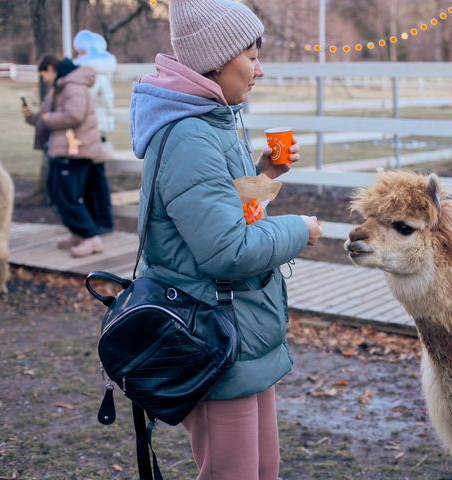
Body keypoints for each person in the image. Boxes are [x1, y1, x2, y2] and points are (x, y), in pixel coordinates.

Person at [129, 0, 324, 478]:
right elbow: (228, 250)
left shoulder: (212, 121)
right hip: (213, 332)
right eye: (252, 57)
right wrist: (300, 229)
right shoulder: (190, 136)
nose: (260, 69)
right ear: (217, 59)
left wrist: (266, 174)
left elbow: (231, 212)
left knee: (262, 469)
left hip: (241, 333)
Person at [22, 54, 106, 257]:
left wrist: (46, 118)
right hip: (66, 150)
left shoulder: (73, 86)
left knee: (66, 196)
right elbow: (50, 116)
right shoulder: (62, 87)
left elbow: (74, 115)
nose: (44, 79)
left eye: (44, 74)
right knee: (58, 194)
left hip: (76, 150)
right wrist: (33, 118)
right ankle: (79, 233)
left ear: (51, 69)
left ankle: (91, 238)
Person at [73, 30, 116, 235]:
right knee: (90, 177)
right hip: (90, 129)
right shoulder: (90, 75)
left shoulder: (95, 77)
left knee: (96, 177)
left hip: (94, 130)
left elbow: (103, 105)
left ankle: (104, 221)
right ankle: (95, 219)